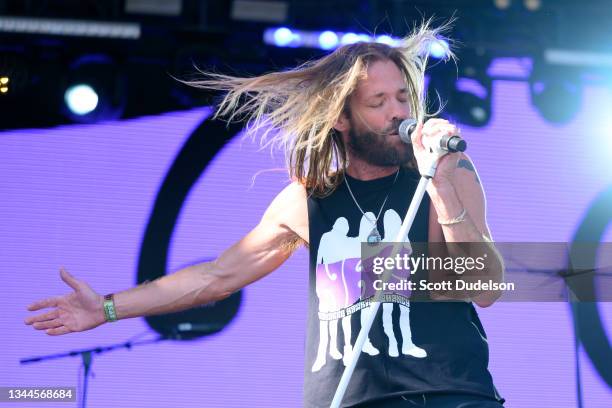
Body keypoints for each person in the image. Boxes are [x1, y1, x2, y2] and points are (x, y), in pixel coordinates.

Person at [25, 20, 506, 408]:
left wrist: (440, 184)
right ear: (341, 118)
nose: (398, 113)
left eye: (403, 97)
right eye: (377, 103)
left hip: (453, 395)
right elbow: (216, 277)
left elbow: (483, 287)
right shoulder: (309, 200)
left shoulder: (449, 172)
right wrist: (107, 308)